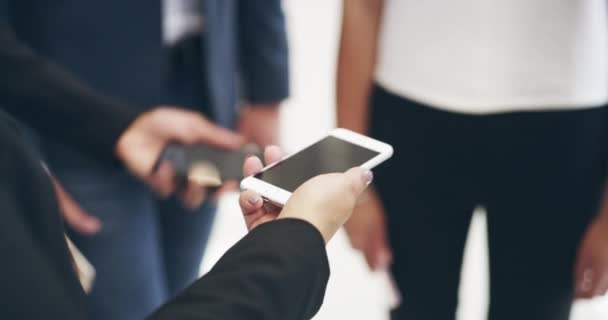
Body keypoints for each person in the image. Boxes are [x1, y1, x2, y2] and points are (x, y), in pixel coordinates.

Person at [0, 26, 373, 319]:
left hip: (196, 93)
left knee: (178, 281)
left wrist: (265, 92)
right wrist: (296, 238)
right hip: (72, 125)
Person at [337, 0, 608, 319]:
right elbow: (361, 6)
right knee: (417, 310)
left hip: (561, 128)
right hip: (412, 117)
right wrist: (355, 181)